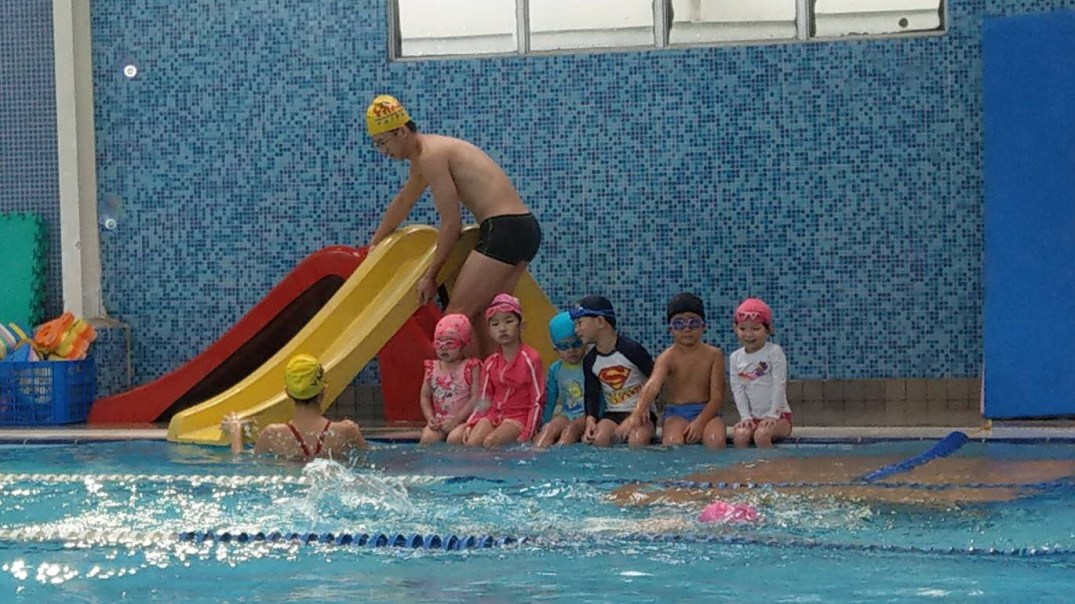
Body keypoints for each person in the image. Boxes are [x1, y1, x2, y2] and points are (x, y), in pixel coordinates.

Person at [365, 95, 542, 354]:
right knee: (491, 317)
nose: (382, 151)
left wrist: (431, 276)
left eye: (383, 142)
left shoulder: (431, 155)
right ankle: (497, 379)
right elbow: (404, 201)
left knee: (456, 320)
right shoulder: (428, 154)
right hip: (524, 228)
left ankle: (468, 381)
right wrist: (375, 242)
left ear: (401, 131)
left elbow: (451, 224)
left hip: (504, 229)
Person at [221, 354, 367, 459]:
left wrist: (235, 430)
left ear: (288, 393)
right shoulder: (348, 431)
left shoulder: (273, 435)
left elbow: (241, 463)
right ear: (323, 391)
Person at [632, 293, 727, 449]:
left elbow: (717, 398)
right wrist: (640, 409)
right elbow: (653, 385)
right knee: (672, 443)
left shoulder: (714, 355)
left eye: (693, 323)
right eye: (679, 324)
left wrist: (700, 422)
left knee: (716, 441)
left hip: (707, 412)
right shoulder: (667, 358)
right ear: (670, 329)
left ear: (703, 326)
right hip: (676, 413)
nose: (687, 329)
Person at [452, 294, 545, 448]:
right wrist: (471, 423)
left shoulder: (531, 359)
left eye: (509, 321)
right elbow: (484, 400)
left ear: (521, 326)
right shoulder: (490, 363)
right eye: (495, 324)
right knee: (470, 442)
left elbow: (537, 401)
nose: (502, 328)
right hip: (493, 415)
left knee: (491, 441)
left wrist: (527, 433)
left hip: (517, 417)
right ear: (489, 330)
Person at [572, 295, 655, 448]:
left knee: (637, 441)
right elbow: (592, 394)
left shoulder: (631, 350)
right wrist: (590, 419)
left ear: (600, 321)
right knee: (599, 439)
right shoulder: (590, 360)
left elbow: (656, 379)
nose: (576, 330)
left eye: (580, 323)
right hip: (613, 414)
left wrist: (644, 407)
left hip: (640, 413)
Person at [729, 298, 793, 448]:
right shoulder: (735, 358)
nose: (748, 334)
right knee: (740, 436)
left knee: (762, 435)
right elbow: (738, 390)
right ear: (735, 328)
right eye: (742, 329)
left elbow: (779, 384)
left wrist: (773, 415)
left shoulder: (774, 352)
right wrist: (745, 417)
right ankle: (745, 464)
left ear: (769, 329)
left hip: (780, 416)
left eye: (755, 329)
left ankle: (769, 463)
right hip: (753, 418)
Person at [419, 314, 482, 445]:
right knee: (427, 439)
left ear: (464, 344)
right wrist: (430, 418)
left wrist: (455, 421)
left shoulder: (471, 367)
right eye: (438, 343)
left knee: (455, 438)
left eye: (450, 343)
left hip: (464, 420)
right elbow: (425, 396)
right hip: (439, 421)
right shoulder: (431, 368)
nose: (444, 348)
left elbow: (475, 399)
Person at [533, 312, 587, 447]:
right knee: (549, 429)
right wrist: (543, 423)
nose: (571, 350)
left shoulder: (591, 364)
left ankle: (562, 454)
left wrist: (597, 418)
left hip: (586, 415)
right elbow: (549, 400)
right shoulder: (555, 369)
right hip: (567, 414)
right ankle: (538, 454)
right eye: (564, 346)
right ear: (556, 349)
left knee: (570, 431)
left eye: (576, 344)